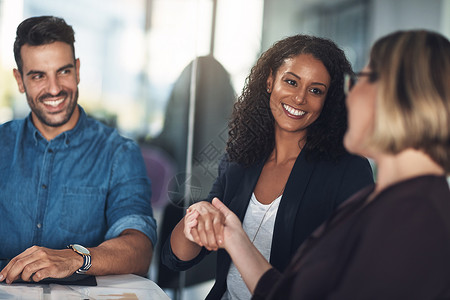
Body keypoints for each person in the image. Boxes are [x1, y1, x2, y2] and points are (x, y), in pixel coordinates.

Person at [191, 29, 450, 299]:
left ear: (403, 101)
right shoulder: (391, 202)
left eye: (364, 80)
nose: (350, 94)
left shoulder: (415, 217)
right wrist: (234, 236)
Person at [161, 34, 374, 299]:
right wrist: (195, 217)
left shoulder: (348, 171)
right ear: (270, 81)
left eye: (315, 90)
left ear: (328, 100)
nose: (299, 98)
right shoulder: (240, 158)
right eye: (291, 82)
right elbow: (177, 259)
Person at [0, 16, 157, 284]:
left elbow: (140, 250)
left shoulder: (119, 153)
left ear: (78, 70)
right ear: (20, 80)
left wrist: (75, 258)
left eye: (63, 71)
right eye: (38, 76)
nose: (54, 89)